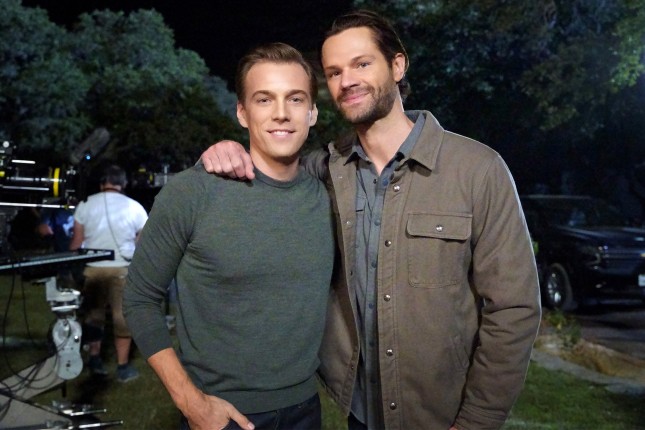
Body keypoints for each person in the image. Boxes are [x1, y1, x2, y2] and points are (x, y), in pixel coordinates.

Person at [200, 9, 542, 430]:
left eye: (361, 64)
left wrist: (479, 420)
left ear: (397, 65)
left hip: (441, 413)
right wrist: (225, 151)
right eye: (334, 72)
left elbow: (514, 308)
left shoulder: (478, 170)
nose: (347, 81)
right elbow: (264, 170)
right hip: (358, 411)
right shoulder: (323, 170)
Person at [123, 43, 335, 430]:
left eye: (295, 98)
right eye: (264, 99)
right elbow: (139, 298)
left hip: (306, 409)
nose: (282, 113)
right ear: (242, 112)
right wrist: (192, 403)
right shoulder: (193, 192)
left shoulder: (329, 195)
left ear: (313, 112)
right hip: (221, 414)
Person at [69, 164, 148, 382]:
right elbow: (142, 242)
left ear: (102, 183)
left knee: (93, 315)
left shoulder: (85, 205)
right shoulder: (135, 207)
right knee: (122, 317)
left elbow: (76, 242)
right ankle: (122, 366)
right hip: (123, 268)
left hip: (93, 269)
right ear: (123, 183)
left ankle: (95, 359)